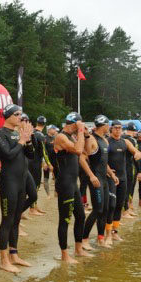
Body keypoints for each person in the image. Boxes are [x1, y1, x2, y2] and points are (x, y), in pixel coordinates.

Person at [0, 104, 34, 273]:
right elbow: (7, 155)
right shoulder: (0, 134)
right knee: (7, 220)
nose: (20, 117)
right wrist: (22, 141)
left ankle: (14, 254)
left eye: (21, 115)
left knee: (16, 220)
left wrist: (28, 141)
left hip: (21, 181)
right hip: (8, 182)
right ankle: (4, 260)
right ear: (7, 116)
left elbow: (31, 155)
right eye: (16, 114)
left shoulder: (17, 133)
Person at [53, 112, 90, 263]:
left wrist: (85, 136)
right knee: (65, 219)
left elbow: (85, 153)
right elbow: (78, 150)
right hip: (64, 183)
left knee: (81, 216)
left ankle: (78, 249)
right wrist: (80, 131)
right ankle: (64, 255)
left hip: (73, 183)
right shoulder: (60, 137)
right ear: (74, 124)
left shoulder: (73, 137)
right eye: (79, 124)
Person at [81, 115, 118, 251]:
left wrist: (111, 174)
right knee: (97, 210)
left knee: (105, 209)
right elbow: (82, 159)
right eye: (108, 125)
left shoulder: (105, 141)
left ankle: (100, 238)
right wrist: (91, 176)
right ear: (104, 126)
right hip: (95, 179)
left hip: (104, 178)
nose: (109, 128)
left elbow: (104, 161)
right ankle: (84, 240)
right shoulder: (91, 139)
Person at [106, 121, 141, 244]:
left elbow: (136, 152)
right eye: (115, 128)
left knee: (119, 205)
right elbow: (100, 158)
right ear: (111, 129)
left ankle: (115, 232)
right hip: (111, 178)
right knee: (111, 206)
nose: (118, 130)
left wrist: (138, 154)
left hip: (123, 178)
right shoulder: (107, 141)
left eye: (120, 128)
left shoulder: (125, 142)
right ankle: (107, 234)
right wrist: (107, 170)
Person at [27, 115, 49, 215]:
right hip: (35, 163)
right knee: (35, 185)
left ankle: (35, 206)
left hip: (29, 161)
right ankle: (32, 208)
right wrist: (48, 163)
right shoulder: (40, 135)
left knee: (33, 184)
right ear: (44, 125)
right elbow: (44, 151)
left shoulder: (33, 133)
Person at [42, 124, 57, 197]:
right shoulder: (44, 138)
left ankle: (56, 192)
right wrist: (44, 162)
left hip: (55, 160)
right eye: (54, 129)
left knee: (57, 177)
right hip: (47, 160)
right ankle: (48, 194)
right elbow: (42, 150)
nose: (55, 130)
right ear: (49, 130)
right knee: (46, 177)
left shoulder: (55, 138)